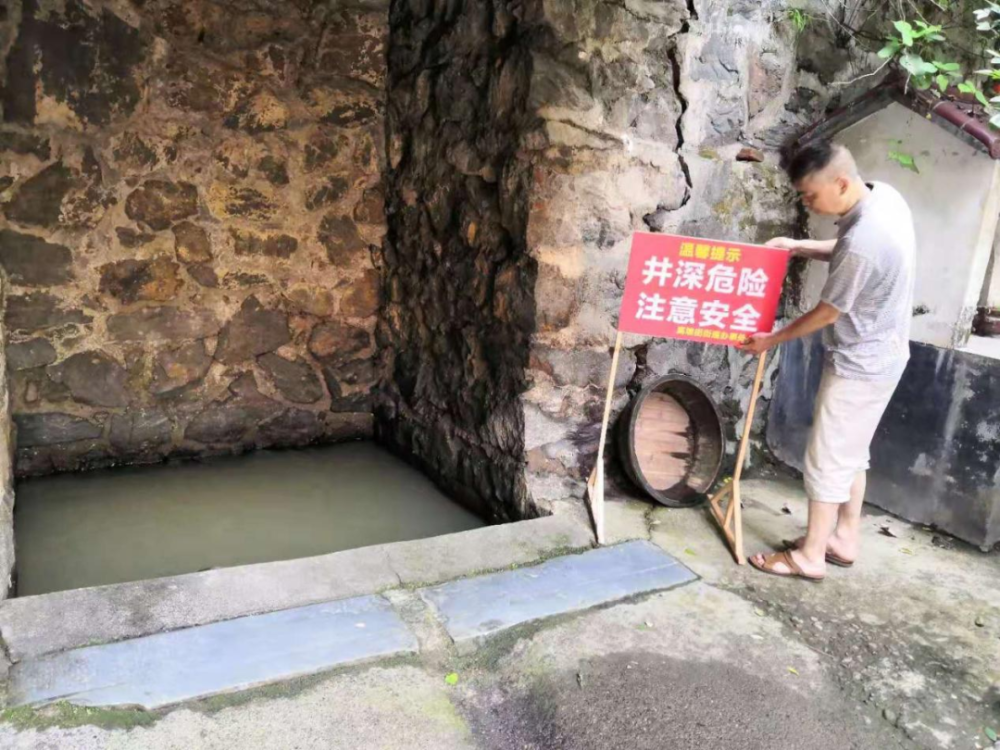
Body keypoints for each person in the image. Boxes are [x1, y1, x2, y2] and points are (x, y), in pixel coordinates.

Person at [742, 139, 916, 581]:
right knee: (851, 453)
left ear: (841, 182)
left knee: (825, 461)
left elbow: (828, 311)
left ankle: (810, 555)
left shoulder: (863, 241)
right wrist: (799, 245)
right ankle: (844, 537)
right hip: (886, 354)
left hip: (859, 364)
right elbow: (849, 251)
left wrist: (771, 339)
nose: (807, 203)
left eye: (811, 195)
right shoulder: (883, 198)